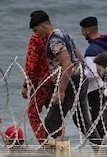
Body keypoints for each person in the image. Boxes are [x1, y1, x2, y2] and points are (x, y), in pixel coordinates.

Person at [29, 11, 94, 144]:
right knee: (83, 121)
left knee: (51, 123)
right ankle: (103, 152)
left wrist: (61, 90)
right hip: (80, 78)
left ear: (43, 26)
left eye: (36, 30)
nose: (36, 34)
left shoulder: (54, 40)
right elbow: (77, 53)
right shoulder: (62, 34)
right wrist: (84, 72)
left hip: (70, 82)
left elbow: (67, 65)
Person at [79, 16, 107, 141]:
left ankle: (104, 152)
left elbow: (92, 73)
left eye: (82, 30)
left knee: (99, 122)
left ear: (87, 31)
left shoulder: (91, 50)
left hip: (96, 90)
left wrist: (79, 72)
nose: (81, 33)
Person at [22, 22, 53, 144]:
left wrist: (26, 85)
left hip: (40, 83)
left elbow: (31, 64)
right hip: (55, 80)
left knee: (33, 113)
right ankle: (58, 140)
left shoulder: (36, 39)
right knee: (55, 113)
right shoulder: (54, 37)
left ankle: (44, 142)